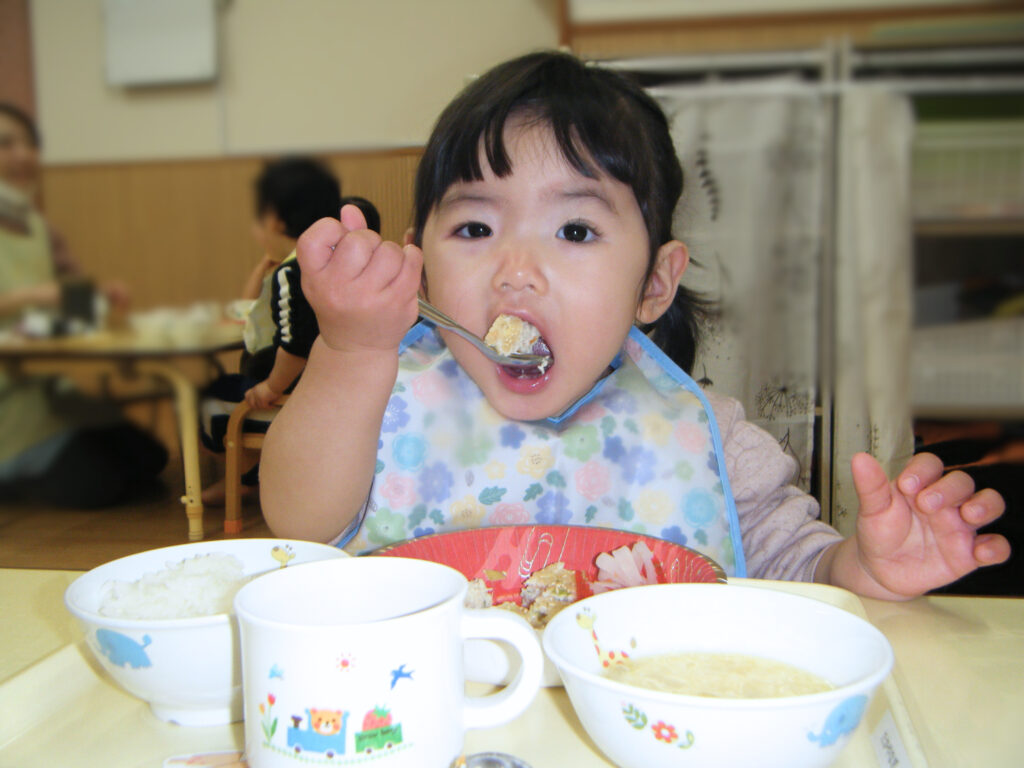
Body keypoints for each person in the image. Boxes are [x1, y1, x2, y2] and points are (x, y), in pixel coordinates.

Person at [259, 52, 1009, 601]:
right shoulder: (385, 399)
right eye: (476, 228)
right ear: (421, 262)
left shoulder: (705, 435)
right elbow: (299, 520)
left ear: (655, 283)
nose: (515, 268)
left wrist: (865, 571)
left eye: (576, 231)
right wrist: (351, 350)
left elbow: (792, 567)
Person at [0, 103, 167, 508]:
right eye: (6, 145)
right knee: (102, 485)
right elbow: (41, 296)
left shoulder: (38, 227)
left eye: (28, 144)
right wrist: (31, 296)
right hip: (9, 399)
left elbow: (73, 303)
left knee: (150, 459)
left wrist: (98, 295)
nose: (23, 155)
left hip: (47, 388)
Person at [197, 160, 377, 505]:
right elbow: (248, 310)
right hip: (331, 387)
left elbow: (297, 344)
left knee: (204, 399)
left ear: (275, 221)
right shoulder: (330, 261)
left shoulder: (294, 273)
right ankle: (253, 475)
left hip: (289, 393)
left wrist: (271, 386)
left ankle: (250, 475)